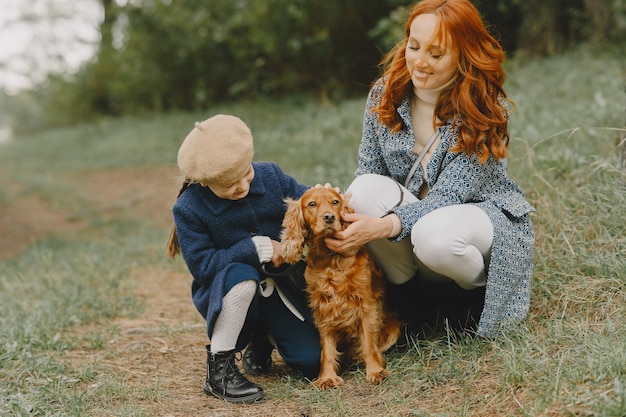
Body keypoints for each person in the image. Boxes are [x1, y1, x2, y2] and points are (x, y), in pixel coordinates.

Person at [324, 0, 535, 339]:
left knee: (434, 235)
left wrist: (383, 226)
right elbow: (369, 169)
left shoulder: (485, 106)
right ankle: (412, 305)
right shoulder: (385, 93)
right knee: (362, 189)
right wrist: (338, 204)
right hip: (410, 226)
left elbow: (450, 197)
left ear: (463, 55)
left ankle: (472, 299)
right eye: (414, 46)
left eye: (436, 54)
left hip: (475, 218)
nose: (419, 62)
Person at [166, 114, 320, 403]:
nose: (242, 186)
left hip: (280, 288)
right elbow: (204, 268)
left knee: (313, 361)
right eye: (228, 185)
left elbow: (305, 200)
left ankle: (264, 339)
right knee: (241, 275)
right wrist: (256, 248)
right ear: (204, 182)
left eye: (245, 174)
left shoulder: (271, 176)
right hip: (228, 290)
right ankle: (219, 371)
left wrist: (324, 198)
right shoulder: (189, 208)